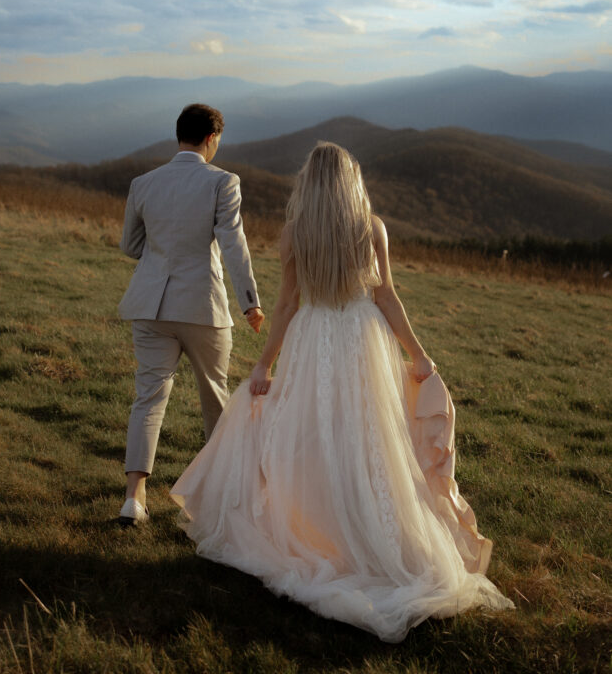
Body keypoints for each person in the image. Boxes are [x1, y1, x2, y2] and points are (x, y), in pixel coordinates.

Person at [171, 142, 514, 642]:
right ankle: (367, 528)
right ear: (352, 180)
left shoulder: (295, 233)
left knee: (313, 434)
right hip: (362, 336)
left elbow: (286, 304)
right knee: (372, 437)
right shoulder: (370, 228)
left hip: (315, 336)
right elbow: (385, 295)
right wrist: (417, 353)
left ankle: (322, 526)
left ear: (307, 183)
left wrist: (265, 362)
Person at [117, 103, 264, 526]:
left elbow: (130, 245)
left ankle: (134, 499)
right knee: (215, 401)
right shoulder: (223, 182)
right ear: (212, 139)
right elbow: (232, 243)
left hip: (151, 306)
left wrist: (164, 257)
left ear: (178, 135)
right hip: (203, 306)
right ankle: (214, 504)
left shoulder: (143, 183)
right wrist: (250, 302)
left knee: (148, 400)